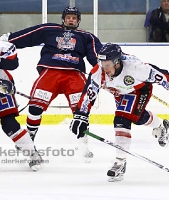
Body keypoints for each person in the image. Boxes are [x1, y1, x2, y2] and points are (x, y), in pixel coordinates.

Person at [69, 43, 169, 182]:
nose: (104, 68)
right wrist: (81, 116)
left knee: (122, 119)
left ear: (117, 62)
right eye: (102, 63)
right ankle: (162, 125)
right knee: (137, 118)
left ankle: (120, 162)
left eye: (108, 64)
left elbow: (160, 75)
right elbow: (88, 95)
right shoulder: (98, 71)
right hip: (120, 92)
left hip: (139, 89)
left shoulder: (135, 68)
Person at [0, 6, 103, 162]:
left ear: (78, 20)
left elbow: (97, 59)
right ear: (63, 18)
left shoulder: (87, 36)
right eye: (68, 17)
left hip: (75, 75)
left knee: (81, 112)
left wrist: (107, 71)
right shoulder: (50, 29)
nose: (71, 20)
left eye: (74, 18)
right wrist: (8, 39)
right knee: (35, 107)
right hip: (50, 72)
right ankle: (30, 137)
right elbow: (29, 35)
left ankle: (83, 145)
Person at [0, 40, 43, 171]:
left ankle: (32, 154)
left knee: (8, 123)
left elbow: (13, 62)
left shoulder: (2, 45)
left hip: (1, 82)